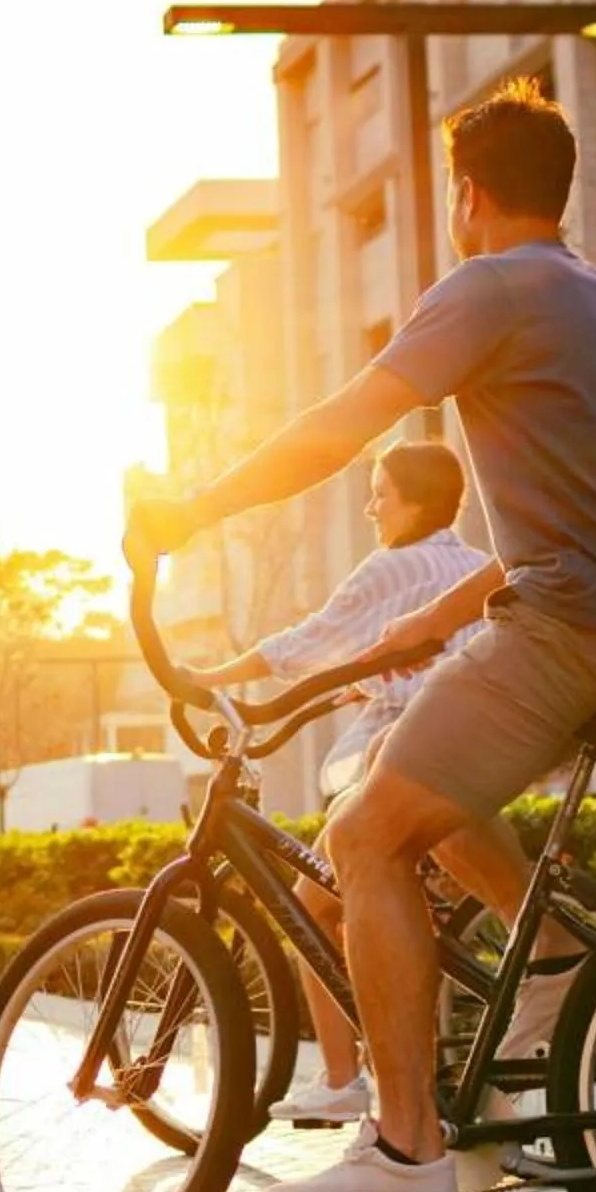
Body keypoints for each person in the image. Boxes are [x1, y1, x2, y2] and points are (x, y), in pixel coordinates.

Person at [128, 77, 596, 1192]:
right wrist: (431, 625)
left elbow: (342, 422)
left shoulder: (491, 286)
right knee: (427, 800)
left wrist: (191, 512)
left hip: (572, 629)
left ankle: (405, 1145)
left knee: (362, 833)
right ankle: (531, 1010)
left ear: (469, 192)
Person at [173, 442, 487, 1126]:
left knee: (315, 906)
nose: (372, 506)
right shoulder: (469, 563)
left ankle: (348, 1081)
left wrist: (211, 679)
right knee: (383, 904)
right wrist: (365, 684)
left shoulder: (393, 566)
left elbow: (312, 641)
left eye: (381, 492)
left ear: (414, 500)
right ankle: (391, 1077)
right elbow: (408, 657)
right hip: (469, 752)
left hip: (406, 757)